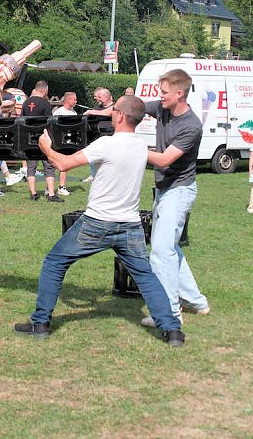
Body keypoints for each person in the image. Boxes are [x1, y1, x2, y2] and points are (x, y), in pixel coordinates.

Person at [14, 96, 184, 346]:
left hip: (97, 223)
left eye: (113, 110)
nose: (111, 113)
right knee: (146, 277)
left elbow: (63, 164)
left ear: (120, 116)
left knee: (54, 262)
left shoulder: (106, 144)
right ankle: (173, 331)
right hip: (130, 225)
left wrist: (46, 146)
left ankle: (40, 324)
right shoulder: (140, 145)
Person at [141, 69, 210, 324]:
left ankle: (169, 313)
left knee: (160, 251)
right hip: (163, 189)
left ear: (179, 94)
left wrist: (133, 144)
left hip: (179, 191)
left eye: (165, 92)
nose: (160, 96)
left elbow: (164, 159)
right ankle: (196, 301)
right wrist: (107, 110)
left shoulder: (191, 126)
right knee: (169, 248)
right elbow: (137, 106)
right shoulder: (162, 108)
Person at [22, 81, 62, 202]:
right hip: (43, 138)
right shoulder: (45, 104)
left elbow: (22, 121)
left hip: (29, 138)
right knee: (49, 166)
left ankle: (33, 194)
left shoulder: (26, 103)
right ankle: (50, 194)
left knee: (31, 167)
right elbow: (49, 123)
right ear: (45, 90)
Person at [83, 87, 115, 183]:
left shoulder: (115, 106)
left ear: (107, 97)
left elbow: (108, 113)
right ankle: (95, 177)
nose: (97, 99)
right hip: (97, 137)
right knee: (96, 160)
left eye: (99, 97)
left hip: (110, 137)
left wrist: (91, 111)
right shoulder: (98, 108)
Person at [52, 91, 78, 196]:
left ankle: (62, 186)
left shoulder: (74, 113)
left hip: (69, 142)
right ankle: (49, 187)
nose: (76, 101)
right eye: (74, 99)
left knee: (65, 165)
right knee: (53, 165)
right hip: (58, 141)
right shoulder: (58, 112)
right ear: (68, 100)